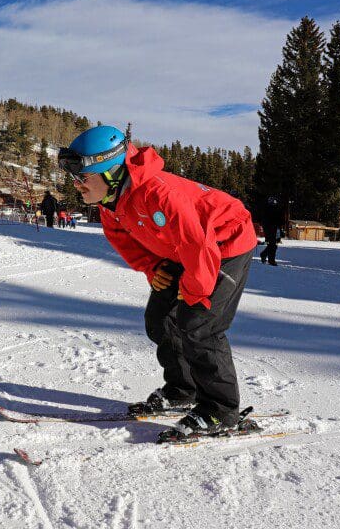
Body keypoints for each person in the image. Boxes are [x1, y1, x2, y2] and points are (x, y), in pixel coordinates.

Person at [58, 125, 257, 442]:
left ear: (111, 172)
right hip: (183, 249)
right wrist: (152, 267)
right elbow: (122, 238)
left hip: (224, 242)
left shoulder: (158, 194)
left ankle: (221, 411)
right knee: (160, 319)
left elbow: (199, 245)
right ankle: (183, 391)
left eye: (83, 177)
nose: (77, 185)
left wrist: (194, 294)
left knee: (199, 325)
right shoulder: (112, 200)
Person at [259, 196, 282, 266]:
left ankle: (264, 255)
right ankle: (271, 260)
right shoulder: (268, 209)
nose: (275, 203)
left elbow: (278, 220)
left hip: (274, 229)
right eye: (274, 202)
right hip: (270, 229)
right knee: (272, 245)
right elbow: (266, 221)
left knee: (273, 245)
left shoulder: (275, 209)